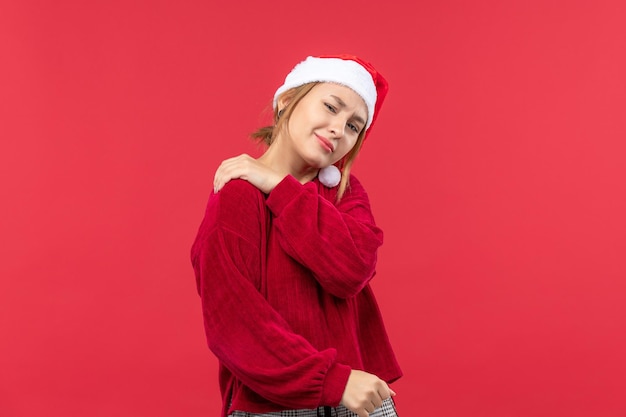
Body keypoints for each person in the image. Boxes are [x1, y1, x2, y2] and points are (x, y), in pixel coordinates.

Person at [191, 54, 402, 417]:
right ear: (287, 100)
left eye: (354, 126)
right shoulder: (238, 195)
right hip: (278, 406)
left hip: (360, 402)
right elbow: (234, 321)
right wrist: (332, 381)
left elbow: (352, 269)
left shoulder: (344, 194)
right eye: (331, 106)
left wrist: (280, 187)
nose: (339, 129)